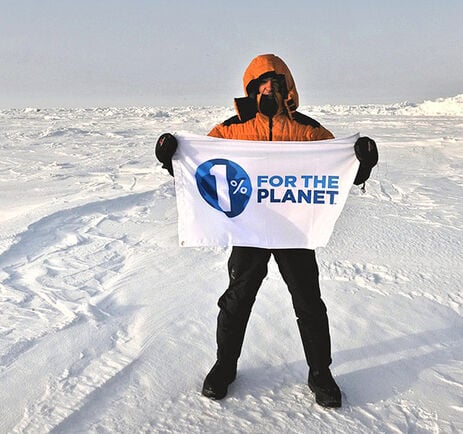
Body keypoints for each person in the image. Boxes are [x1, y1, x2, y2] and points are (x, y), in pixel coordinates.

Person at [155, 54, 378, 408]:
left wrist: (362, 163)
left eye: (276, 83)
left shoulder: (309, 131)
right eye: (261, 84)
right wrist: (172, 158)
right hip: (249, 231)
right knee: (236, 301)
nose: (268, 90)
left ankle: (320, 372)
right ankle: (224, 366)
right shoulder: (231, 130)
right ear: (250, 88)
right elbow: (202, 171)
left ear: (288, 86)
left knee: (308, 302)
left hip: (294, 233)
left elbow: (338, 173)